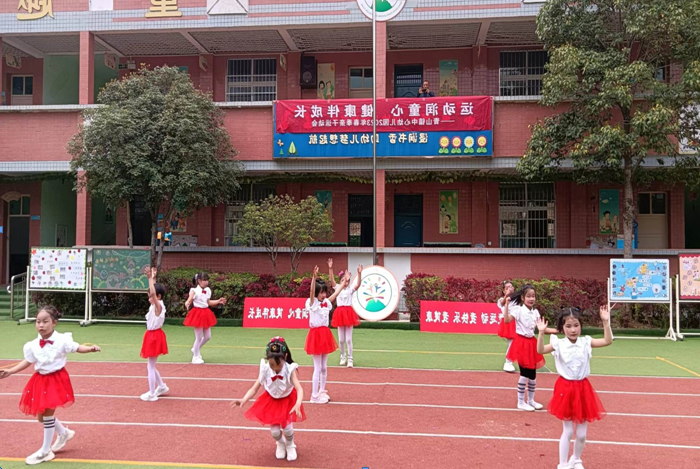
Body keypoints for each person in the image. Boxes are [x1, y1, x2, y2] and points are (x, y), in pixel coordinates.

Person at [0, 305, 101, 465]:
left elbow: (76, 347)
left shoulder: (62, 340)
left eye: (45, 321)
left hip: (56, 380)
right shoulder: (32, 344)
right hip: (40, 381)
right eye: (38, 321)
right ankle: (63, 433)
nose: (41, 325)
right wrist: (11, 371)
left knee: (47, 416)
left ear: (54, 322)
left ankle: (45, 451)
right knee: (42, 417)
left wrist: (89, 349)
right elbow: (28, 361)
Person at [537, 306, 612, 469]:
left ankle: (576, 459)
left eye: (576, 325)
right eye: (568, 326)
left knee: (582, 434)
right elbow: (540, 350)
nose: (573, 330)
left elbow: (607, 341)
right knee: (569, 431)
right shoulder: (559, 344)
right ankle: (563, 464)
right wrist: (541, 333)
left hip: (583, 388)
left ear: (581, 326)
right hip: (565, 388)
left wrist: (606, 322)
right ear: (562, 328)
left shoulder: (586, 342)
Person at [231, 337, 305, 462]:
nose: (275, 368)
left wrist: (298, 403)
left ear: (285, 357)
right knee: (275, 432)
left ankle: (290, 444)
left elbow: (299, 388)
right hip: (271, 401)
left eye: (278, 365)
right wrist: (244, 399)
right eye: (272, 365)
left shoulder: (289, 369)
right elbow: (254, 388)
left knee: (287, 428)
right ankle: (280, 443)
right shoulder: (265, 369)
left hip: (287, 400)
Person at [503, 283, 558, 411]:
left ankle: (531, 400)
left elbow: (542, 329)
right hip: (521, 343)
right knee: (524, 373)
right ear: (523, 298)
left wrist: (558, 330)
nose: (531, 299)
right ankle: (520, 401)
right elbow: (506, 320)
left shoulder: (535, 312)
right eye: (528, 296)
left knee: (533, 374)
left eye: (533, 296)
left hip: (532, 343)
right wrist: (506, 306)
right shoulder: (518, 310)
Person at [305, 265, 345, 403]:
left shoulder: (326, 303)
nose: (324, 295)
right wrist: (313, 278)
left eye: (324, 292)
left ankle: (322, 390)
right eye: (321, 292)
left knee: (324, 367)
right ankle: (314, 395)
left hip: (325, 335)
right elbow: (311, 292)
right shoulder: (312, 303)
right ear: (317, 293)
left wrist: (344, 283)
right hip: (316, 335)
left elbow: (335, 294)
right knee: (317, 367)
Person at [140, 267, 170, 402]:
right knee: (151, 365)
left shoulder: (158, 306)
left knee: (150, 367)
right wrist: (153, 278)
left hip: (154, 336)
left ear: (158, 297)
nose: (149, 298)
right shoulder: (155, 305)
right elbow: (154, 291)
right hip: (152, 335)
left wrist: (149, 278)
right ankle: (161, 386)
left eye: (150, 297)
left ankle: (152, 393)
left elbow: (153, 292)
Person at [184, 272, 227, 364]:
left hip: (206, 313)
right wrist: (187, 303)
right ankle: (195, 356)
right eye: (204, 280)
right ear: (199, 281)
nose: (206, 282)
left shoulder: (207, 290)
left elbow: (208, 302)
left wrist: (218, 301)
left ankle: (195, 349)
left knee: (207, 337)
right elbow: (189, 299)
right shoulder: (194, 290)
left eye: (207, 280)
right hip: (197, 314)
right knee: (199, 337)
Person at [328, 259, 362, 367]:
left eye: (347, 281)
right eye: (343, 280)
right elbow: (332, 280)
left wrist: (359, 274)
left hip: (348, 313)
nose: (345, 283)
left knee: (348, 339)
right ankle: (342, 356)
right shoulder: (338, 288)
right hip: (339, 314)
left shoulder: (350, 289)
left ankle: (350, 358)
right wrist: (330, 268)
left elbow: (358, 284)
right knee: (341, 340)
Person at [497, 280, 517, 373]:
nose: (510, 289)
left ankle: (512, 361)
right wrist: (507, 295)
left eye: (511, 287)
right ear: (504, 291)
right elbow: (502, 303)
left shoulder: (517, 299)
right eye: (507, 288)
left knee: (517, 343)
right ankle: (508, 362)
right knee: (512, 343)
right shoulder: (501, 299)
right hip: (508, 323)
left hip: (517, 323)